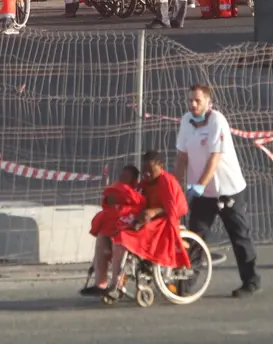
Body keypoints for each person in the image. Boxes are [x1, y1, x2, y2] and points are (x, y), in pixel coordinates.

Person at [175, 84, 261, 298]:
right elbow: (181, 157)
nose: (193, 105)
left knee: (239, 235)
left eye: (198, 101)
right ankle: (185, 285)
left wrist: (200, 184)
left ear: (208, 102)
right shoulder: (186, 121)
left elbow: (214, 158)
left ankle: (250, 280)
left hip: (227, 189)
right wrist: (175, 186)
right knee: (195, 236)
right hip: (203, 194)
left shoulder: (217, 121)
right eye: (190, 101)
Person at [108, 151, 191, 294]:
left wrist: (154, 212)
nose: (146, 174)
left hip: (165, 221)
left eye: (151, 170)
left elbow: (173, 209)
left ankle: (116, 283)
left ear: (161, 167)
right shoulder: (146, 182)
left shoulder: (168, 182)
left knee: (124, 238)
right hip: (151, 221)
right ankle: (114, 280)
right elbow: (136, 198)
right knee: (116, 231)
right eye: (144, 170)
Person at [82, 165, 144, 296]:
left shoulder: (137, 194)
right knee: (101, 239)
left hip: (129, 229)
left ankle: (117, 283)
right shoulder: (115, 189)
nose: (123, 178)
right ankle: (100, 283)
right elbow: (107, 200)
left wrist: (123, 199)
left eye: (126, 176)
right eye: (122, 175)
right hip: (113, 224)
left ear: (133, 180)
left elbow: (139, 206)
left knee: (118, 244)